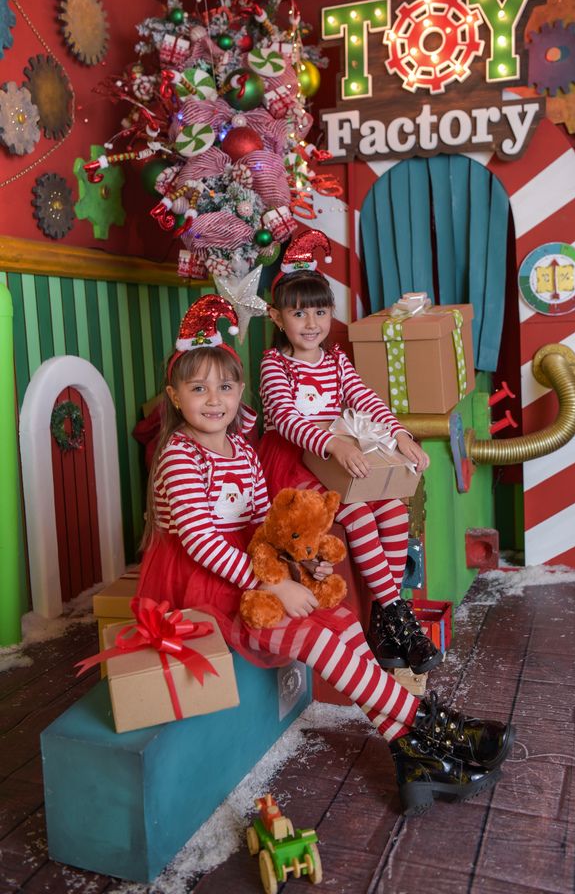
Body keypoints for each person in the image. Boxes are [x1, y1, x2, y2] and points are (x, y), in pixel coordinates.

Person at [138, 293, 515, 816]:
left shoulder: (242, 449)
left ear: (240, 391)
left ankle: (410, 751)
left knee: (342, 624)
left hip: (253, 567)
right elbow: (202, 542)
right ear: (176, 397)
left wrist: (299, 565)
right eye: (197, 388)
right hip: (206, 584)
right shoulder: (182, 455)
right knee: (316, 636)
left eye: (224, 387)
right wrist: (273, 584)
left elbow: (265, 526)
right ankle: (432, 727)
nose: (213, 399)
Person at [259, 230, 440, 676]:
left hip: (336, 456)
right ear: (277, 317)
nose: (311, 323)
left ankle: (386, 615)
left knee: (394, 508)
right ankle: (398, 617)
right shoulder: (274, 364)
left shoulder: (337, 361)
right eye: (298, 313)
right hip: (296, 458)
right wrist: (334, 443)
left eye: (320, 311)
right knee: (356, 513)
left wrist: (399, 436)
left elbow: (367, 400)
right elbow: (285, 417)